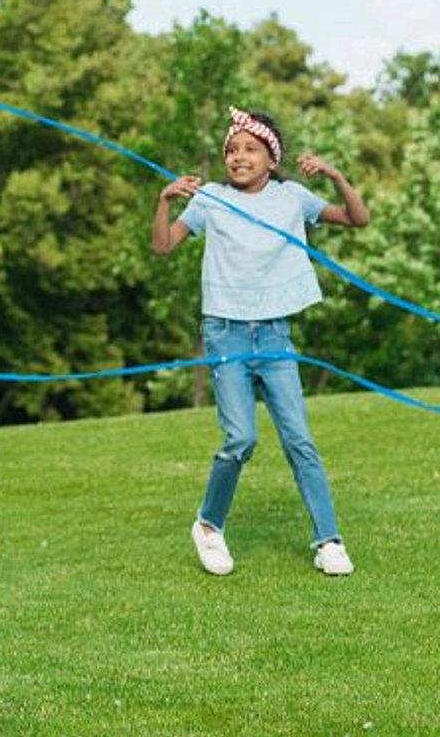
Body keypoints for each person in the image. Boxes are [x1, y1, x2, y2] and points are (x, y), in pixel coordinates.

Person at [149, 107, 371, 578]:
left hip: (274, 334)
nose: (238, 157)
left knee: (300, 440)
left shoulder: (292, 197)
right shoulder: (210, 199)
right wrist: (165, 201)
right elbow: (164, 245)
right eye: (231, 150)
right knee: (241, 438)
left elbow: (358, 218)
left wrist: (334, 174)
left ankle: (328, 541)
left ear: (272, 159)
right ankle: (209, 526)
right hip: (225, 332)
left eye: (250, 149)